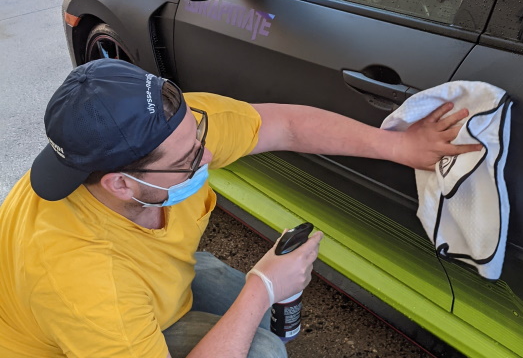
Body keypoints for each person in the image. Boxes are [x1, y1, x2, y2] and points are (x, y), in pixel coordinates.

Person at [0, 59, 480, 358]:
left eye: (199, 134)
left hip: (147, 283)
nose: (207, 155)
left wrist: (398, 147)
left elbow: (285, 125)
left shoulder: (171, 128)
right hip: (67, 340)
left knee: (255, 308)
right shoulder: (82, 277)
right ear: (122, 184)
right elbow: (100, 294)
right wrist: (264, 285)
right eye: (189, 160)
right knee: (265, 347)